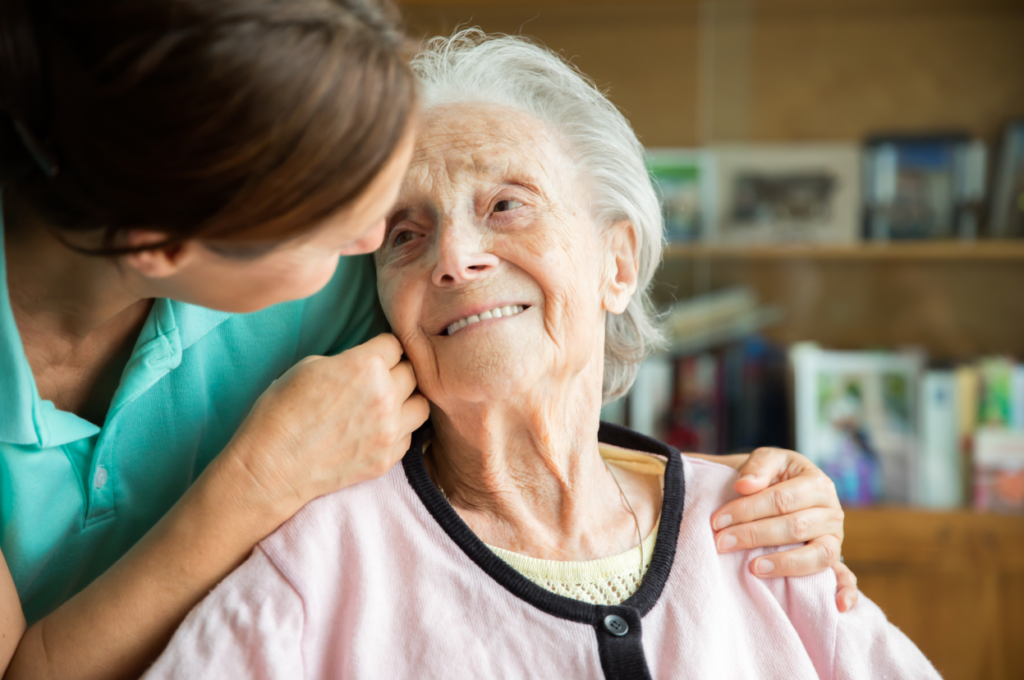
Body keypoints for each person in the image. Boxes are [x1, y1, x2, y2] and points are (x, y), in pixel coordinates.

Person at [0, 2, 852, 677]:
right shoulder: (351, 279)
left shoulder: (325, 286)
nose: (427, 250)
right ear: (164, 250)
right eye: (360, 221)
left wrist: (734, 494)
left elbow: (518, 389)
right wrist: (259, 478)